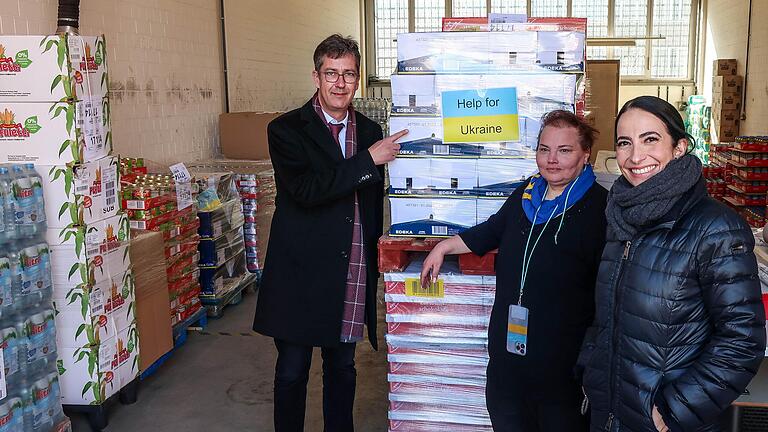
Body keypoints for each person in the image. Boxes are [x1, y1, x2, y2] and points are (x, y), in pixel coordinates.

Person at [578, 96, 766, 432]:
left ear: (679, 147)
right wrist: (590, 371)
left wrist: (671, 411)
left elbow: (743, 338)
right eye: (625, 143)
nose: (636, 157)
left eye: (650, 139)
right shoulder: (620, 219)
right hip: (610, 411)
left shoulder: (715, 227)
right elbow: (606, 315)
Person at [252, 34, 407, 432]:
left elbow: (375, 202)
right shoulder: (287, 130)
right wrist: (367, 161)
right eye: (331, 73)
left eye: (349, 74)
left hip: (349, 266)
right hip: (299, 273)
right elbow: (305, 191)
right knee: (292, 371)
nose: (340, 83)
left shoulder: (372, 131)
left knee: (342, 368)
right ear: (316, 76)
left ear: (358, 80)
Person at [421, 110, 607, 432]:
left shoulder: (600, 208)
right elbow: (490, 230)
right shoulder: (526, 193)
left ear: (585, 154)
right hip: (509, 358)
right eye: (544, 149)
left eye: (564, 150)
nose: (552, 159)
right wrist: (444, 247)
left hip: (561, 367)